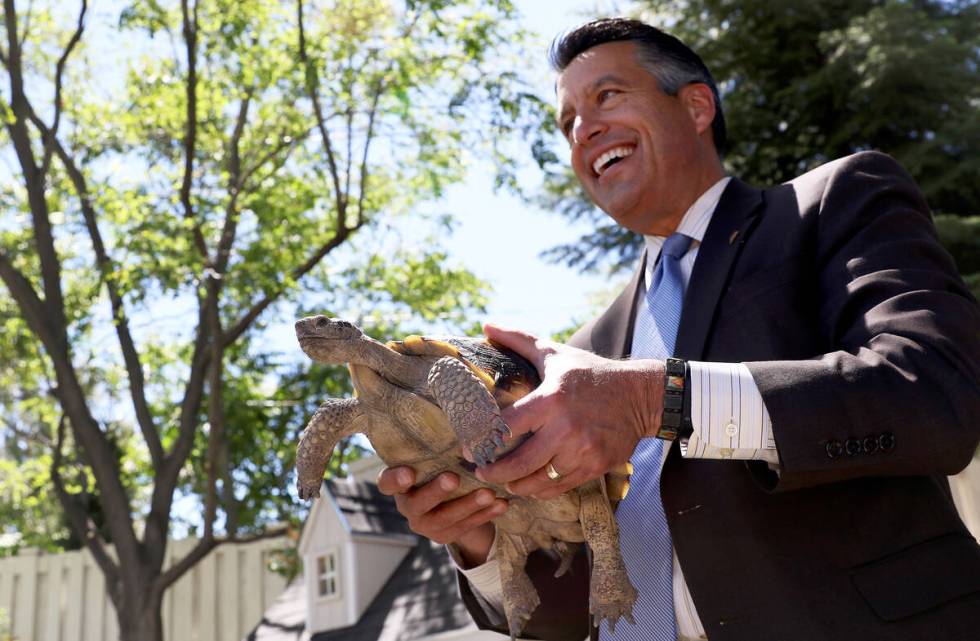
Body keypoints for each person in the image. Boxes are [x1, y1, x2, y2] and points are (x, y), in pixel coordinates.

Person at [377, 17, 980, 641]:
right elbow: (565, 614)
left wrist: (654, 399)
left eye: (607, 96)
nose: (584, 129)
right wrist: (478, 535)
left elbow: (937, 391)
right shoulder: (582, 358)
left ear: (696, 105)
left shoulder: (832, 203)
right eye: (568, 122)